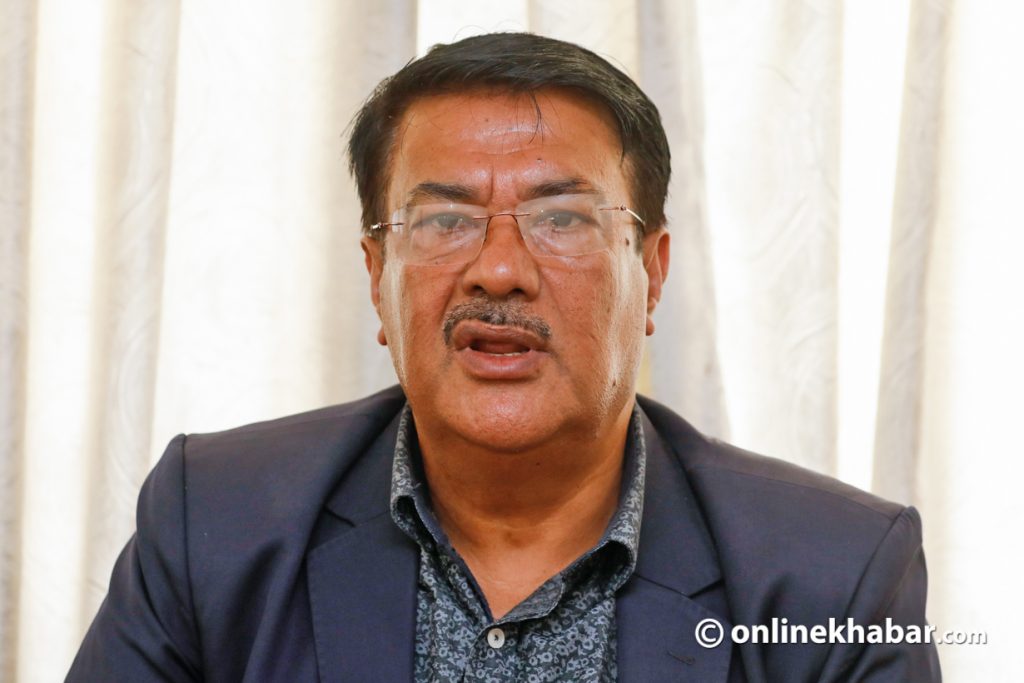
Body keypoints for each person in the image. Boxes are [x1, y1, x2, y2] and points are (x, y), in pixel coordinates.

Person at [67, 32, 941, 682]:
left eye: (561, 218)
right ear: (376, 274)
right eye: (444, 219)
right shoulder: (215, 523)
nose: (498, 269)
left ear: (651, 273)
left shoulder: (837, 579)